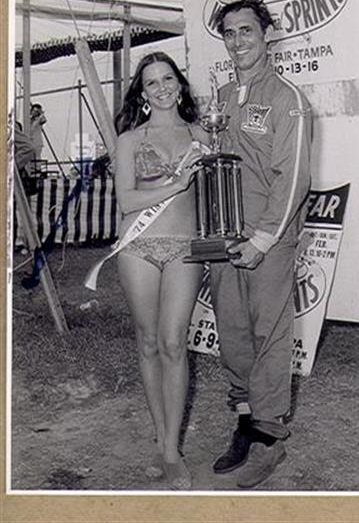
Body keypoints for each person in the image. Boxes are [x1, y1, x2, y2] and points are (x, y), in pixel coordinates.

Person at [210, 0, 313, 488]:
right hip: (226, 237)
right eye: (229, 33)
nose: (237, 42)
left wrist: (265, 237)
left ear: (266, 34)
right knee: (231, 331)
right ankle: (246, 423)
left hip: (267, 238)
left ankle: (269, 439)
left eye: (246, 31)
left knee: (267, 332)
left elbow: (293, 176)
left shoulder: (287, 97)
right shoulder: (226, 96)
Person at [114, 51, 206, 490]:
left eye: (168, 78)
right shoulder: (130, 139)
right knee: (149, 342)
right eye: (152, 82)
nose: (162, 87)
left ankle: (171, 446)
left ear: (180, 84)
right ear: (143, 93)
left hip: (185, 247)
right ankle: (166, 445)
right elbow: (128, 202)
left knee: (174, 343)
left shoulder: (202, 135)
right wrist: (178, 182)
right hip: (139, 247)